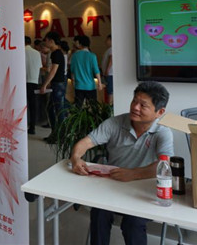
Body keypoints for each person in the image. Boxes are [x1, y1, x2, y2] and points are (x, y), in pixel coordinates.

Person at [70, 81, 174, 245]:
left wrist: (133, 174)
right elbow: (85, 143)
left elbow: (165, 165)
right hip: (113, 184)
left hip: (142, 189)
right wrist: (76, 158)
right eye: (134, 101)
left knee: (133, 222)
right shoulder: (115, 123)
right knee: (99, 213)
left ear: (159, 112)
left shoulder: (163, 132)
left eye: (143, 105)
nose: (135, 107)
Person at [40, 32, 67, 142]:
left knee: (58, 111)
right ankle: (56, 134)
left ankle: (60, 136)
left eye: (46, 40)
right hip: (57, 84)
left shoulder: (56, 53)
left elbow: (53, 70)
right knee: (52, 109)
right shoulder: (56, 53)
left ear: (51, 41)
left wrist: (45, 84)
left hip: (58, 85)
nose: (45, 42)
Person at [70, 35, 103, 107]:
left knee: (78, 108)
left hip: (79, 86)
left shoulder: (74, 56)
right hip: (90, 86)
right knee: (93, 107)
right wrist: (99, 83)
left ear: (80, 44)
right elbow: (96, 70)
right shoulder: (92, 56)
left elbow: (72, 71)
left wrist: (73, 81)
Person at [25, 36, 42, 135]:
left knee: (22, 105)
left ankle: (22, 125)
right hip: (34, 81)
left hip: (22, 82)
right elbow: (39, 67)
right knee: (33, 105)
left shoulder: (19, 52)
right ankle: (32, 127)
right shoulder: (37, 53)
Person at [101, 35, 113, 105]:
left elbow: (111, 59)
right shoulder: (109, 49)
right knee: (109, 91)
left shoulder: (111, 49)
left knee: (110, 91)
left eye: (107, 40)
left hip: (110, 74)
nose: (105, 41)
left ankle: (110, 106)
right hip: (108, 73)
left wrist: (107, 70)